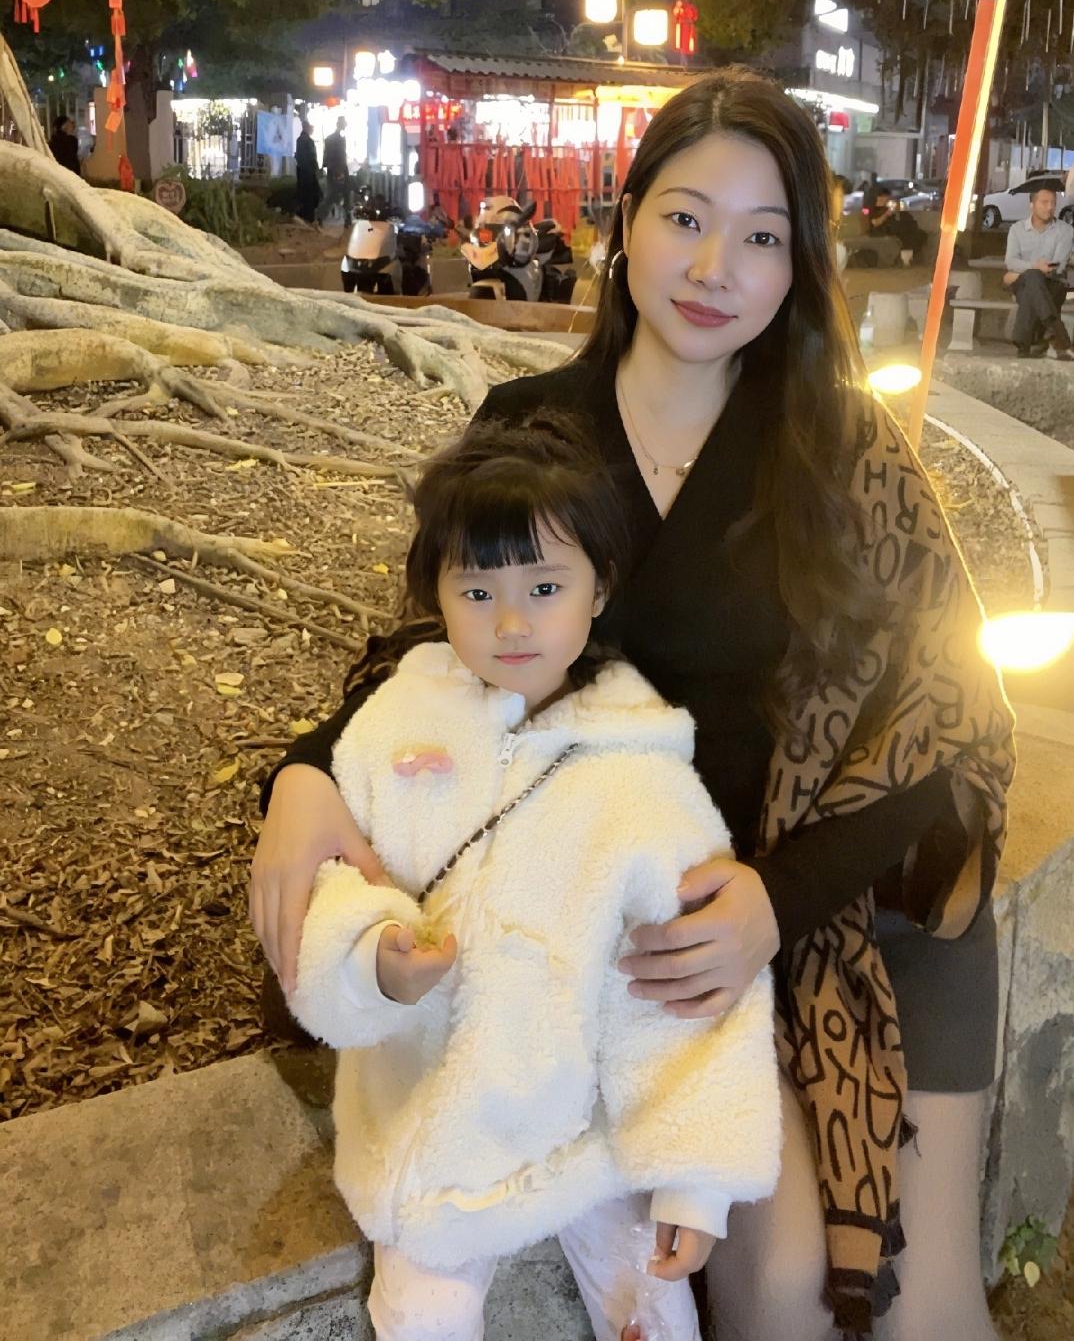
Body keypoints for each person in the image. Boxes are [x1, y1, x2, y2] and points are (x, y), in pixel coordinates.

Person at [252, 69, 1015, 1341]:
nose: (715, 268)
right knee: (778, 1282)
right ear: (628, 220)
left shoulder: (844, 453)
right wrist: (308, 769)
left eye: (762, 237)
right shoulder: (535, 429)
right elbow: (440, 644)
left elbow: (949, 719)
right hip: (636, 931)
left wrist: (777, 900)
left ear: (799, 266)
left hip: (843, 900)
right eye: (685, 218)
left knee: (925, 1308)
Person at [285, 415, 781, 1341]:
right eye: (477, 591)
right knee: (420, 1316)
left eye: (545, 587)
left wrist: (695, 1179)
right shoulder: (392, 730)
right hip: (430, 1126)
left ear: (600, 590)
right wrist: (369, 960)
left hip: (583, 1131)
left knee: (652, 1310)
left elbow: (689, 990)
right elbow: (335, 883)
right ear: (436, 593)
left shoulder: (643, 778)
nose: (511, 623)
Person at [1003, 185, 1073, 360]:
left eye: (1053, 203)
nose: (1050, 207)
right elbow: (1010, 261)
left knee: (1032, 283)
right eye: (1044, 202)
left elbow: (1058, 266)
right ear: (1032, 204)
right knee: (1032, 279)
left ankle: (1023, 343)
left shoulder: (1065, 230)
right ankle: (1055, 332)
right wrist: (1035, 266)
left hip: (1053, 283)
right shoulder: (1017, 229)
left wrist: (1023, 271)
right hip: (1024, 283)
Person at [319, 116, 350, 223]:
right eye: (344, 123)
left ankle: (347, 218)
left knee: (338, 193)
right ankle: (321, 215)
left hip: (335, 169)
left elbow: (326, 157)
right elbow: (336, 156)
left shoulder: (332, 138)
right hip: (338, 170)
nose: (345, 125)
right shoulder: (338, 139)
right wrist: (339, 172)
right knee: (335, 194)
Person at [294, 116, 321, 225]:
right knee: (311, 196)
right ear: (306, 128)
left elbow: (298, 156)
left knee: (303, 195)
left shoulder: (299, 140)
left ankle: (303, 215)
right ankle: (309, 217)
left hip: (301, 171)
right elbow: (312, 157)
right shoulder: (308, 141)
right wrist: (316, 169)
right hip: (309, 173)